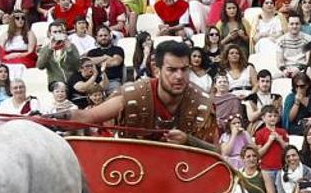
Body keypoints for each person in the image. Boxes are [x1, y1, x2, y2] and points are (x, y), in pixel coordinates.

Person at [64, 39, 218, 148]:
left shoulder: (201, 102)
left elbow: (217, 151)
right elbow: (88, 117)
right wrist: (49, 120)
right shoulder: (135, 95)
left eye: (184, 69)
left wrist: (188, 141)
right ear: (156, 71)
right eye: (171, 70)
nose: (179, 76)